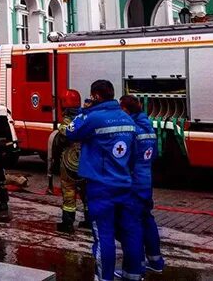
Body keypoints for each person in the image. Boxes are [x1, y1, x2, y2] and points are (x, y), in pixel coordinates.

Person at [66, 80, 142, 281]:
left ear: (96, 96)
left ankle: (104, 277)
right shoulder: (127, 119)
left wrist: (84, 111)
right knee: (130, 232)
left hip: (101, 188)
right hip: (125, 185)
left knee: (104, 236)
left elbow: (71, 132)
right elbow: (134, 156)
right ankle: (133, 274)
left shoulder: (94, 117)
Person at [120, 95, 164, 274]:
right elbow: (153, 155)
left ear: (126, 110)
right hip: (146, 183)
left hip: (133, 185)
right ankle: (156, 262)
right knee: (147, 220)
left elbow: (125, 159)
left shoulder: (131, 130)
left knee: (132, 227)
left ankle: (133, 271)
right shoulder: (148, 126)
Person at [54, 89, 89, 233]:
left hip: (69, 164)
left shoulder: (66, 123)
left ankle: (67, 223)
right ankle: (89, 220)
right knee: (86, 193)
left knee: (69, 192)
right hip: (85, 164)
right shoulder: (86, 119)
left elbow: (60, 142)